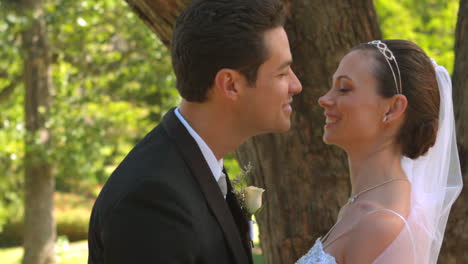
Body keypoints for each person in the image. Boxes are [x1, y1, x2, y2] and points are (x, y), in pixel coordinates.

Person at [88, 0, 302, 263]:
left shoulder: (198, 166)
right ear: (230, 85)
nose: (296, 85)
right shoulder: (152, 200)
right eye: (282, 73)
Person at [296, 40, 463, 264]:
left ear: (392, 108)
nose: (324, 99)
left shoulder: (382, 224)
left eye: (344, 88)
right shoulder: (359, 207)